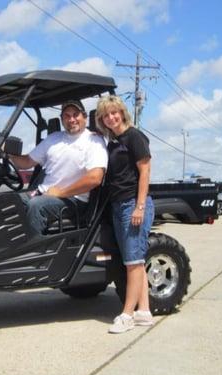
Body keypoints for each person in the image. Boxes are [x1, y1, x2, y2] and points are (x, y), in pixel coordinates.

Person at [95, 95, 155, 334]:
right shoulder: (113, 140)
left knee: (133, 262)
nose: (110, 118)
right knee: (134, 260)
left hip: (133, 204)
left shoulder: (134, 136)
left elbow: (145, 170)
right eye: (105, 115)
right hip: (119, 204)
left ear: (122, 112)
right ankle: (144, 312)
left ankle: (127, 314)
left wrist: (139, 207)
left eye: (114, 112)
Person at [8, 100, 108, 235]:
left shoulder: (94, 141)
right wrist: (7, 155)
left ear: (84, 117)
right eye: (67, 116)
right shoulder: (53, 138)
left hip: (73, 200)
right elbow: (27, 162)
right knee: (7, 202)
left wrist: (61, 193)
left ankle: (35, 252)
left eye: (75, 115)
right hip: (43, 193)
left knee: (36, 206)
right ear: (62, 119)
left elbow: (95, 178)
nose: (71, 119)